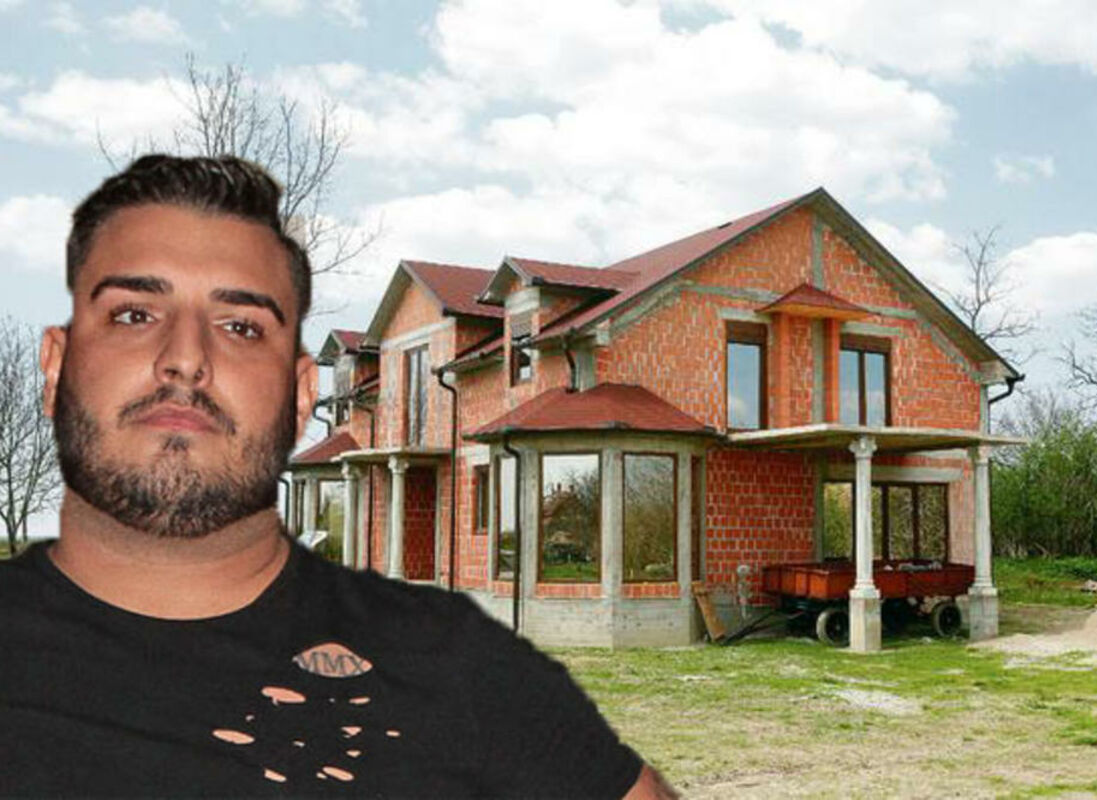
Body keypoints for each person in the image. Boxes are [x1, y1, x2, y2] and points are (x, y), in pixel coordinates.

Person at [0, 155, 677, 799]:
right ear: (56, 367)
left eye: (240, 326)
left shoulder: (461, 666)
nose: (185, 358)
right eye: (134, 314)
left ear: (301, 395)